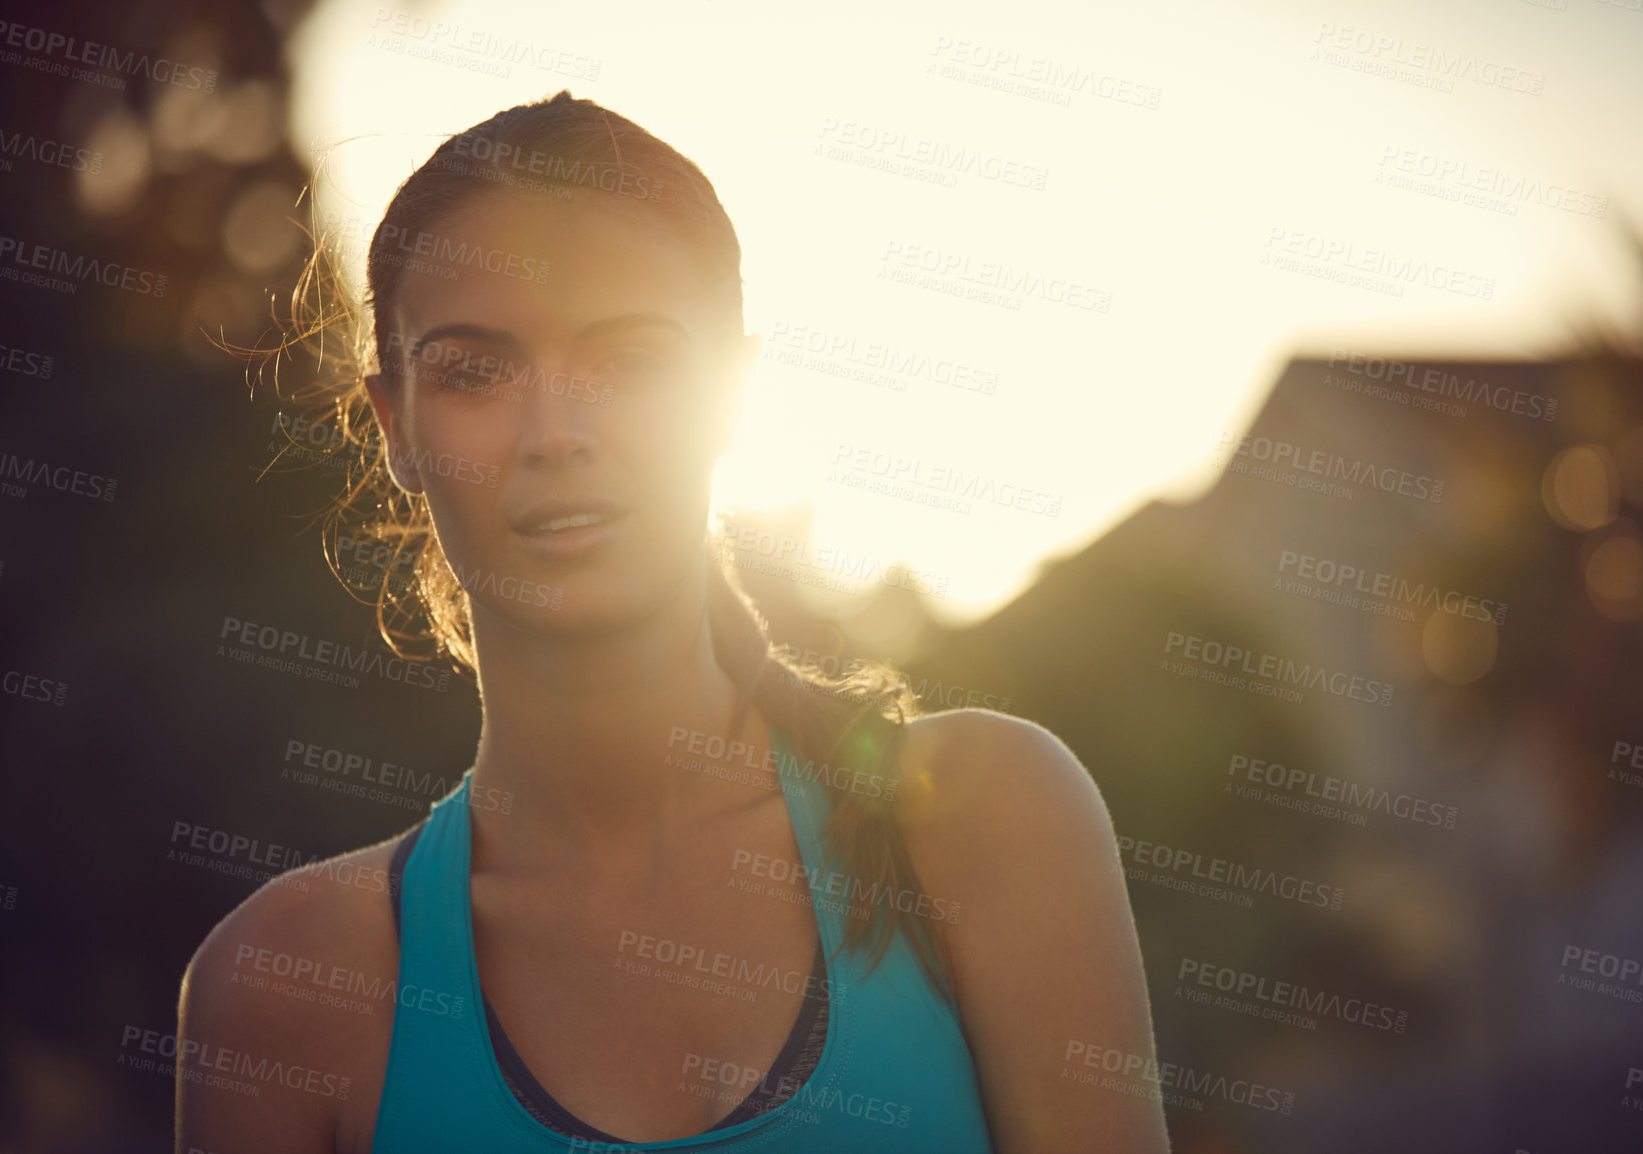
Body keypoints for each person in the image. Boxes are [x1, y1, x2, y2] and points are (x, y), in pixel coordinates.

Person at [175, 90, 1170, 1154]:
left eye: (632, 359)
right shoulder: (290, 983)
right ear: (396, 430)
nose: (557, 429)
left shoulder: (979, 818)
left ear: (729, 395)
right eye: (474, 370)